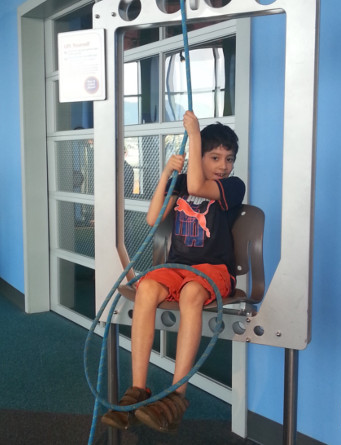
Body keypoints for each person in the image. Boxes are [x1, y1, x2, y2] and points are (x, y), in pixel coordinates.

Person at [102, 111, 246, 433]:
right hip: (177, 267)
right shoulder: (181, 184)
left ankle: (177, 397)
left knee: (193, 293)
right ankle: (137, 390)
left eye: (229, 158)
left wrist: (194, 136)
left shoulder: (233, 186)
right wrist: (168, 171)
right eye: (215, 157)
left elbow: (198, 182)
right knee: (148, 287)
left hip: (213, 271)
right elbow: (154, 218)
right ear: (201, 157)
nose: (223, 165)